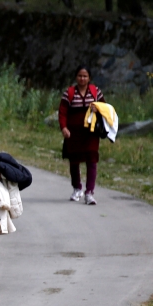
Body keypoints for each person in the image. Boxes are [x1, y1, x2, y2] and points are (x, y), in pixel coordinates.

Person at [58, 66, 106, 205]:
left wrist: (98, 108)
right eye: (80, 76)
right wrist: (64, 128)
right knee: (74, 161)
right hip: (73, 132)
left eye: (85, 76)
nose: (82, 78)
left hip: (91, 132)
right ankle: (77, 188)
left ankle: (89, 192)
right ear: (76, 77)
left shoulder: (95, 92)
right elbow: (62, 112)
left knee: (92, 160)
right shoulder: (69, 93)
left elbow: (105, 108)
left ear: (89, 78)